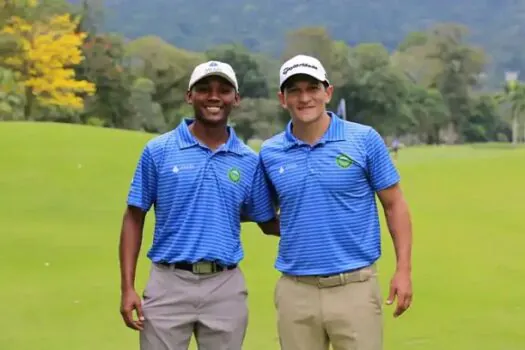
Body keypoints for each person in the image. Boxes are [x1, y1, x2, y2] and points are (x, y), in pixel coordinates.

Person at [118, 60, 279, 350]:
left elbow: (266, 220)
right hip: (168, 281)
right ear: (189, 96)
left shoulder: (248, 160)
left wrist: (320, 217)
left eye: (223, 90)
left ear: (236, 99)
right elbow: (133, 217)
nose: (214, 96)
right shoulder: (159, 151)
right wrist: (127, 287)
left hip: (224, 286)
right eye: (204, 89)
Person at [259, 54, 413, 350]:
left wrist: (403, 270)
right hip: (296, 291)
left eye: (312, 88)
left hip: (354, 287)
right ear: (283, 98)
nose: (305, 98)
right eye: (295, 90)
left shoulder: (364, 139)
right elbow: (264, 215)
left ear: (327, 92)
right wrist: (307, 226)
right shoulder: (270, 152)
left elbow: (394, 204)